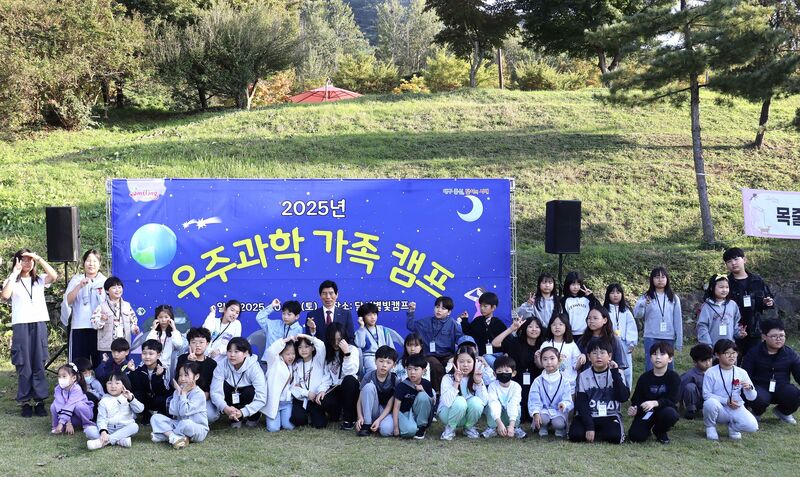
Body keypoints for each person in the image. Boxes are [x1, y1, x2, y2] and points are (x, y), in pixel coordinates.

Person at [1, 249, 58, 417]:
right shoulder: (12, 280)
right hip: (21, 325)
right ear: (17, 261)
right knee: (23, 363)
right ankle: (25, 401)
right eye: (23, 260)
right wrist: (14, 272)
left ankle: (39, 401)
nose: (27, 263)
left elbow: (54, 276)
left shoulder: (39, 279)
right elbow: (5, 295)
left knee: (39, 362)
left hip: (39, 323)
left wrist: (38, 258)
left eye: (29, 260)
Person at [568, 340, 629, 444]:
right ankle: (595, 432)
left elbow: (623, 397)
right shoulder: (583, 375)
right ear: (589, 357)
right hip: (590, 414)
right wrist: (589, 427)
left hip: (610, 414)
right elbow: (582, 403)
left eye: (602, 353)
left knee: (614, 437)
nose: (598, 356)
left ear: (610, 356)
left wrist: (615, 374)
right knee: (575, 435)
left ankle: (601, 432)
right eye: (594, 353)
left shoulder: (618, 372)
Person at [742, 318, 800, 424]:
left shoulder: (790, 354)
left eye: (781, 336)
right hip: (760, 387)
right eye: (774, 336)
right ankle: (756, 413)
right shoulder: (753, 353)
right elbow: (745, 375)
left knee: (794, 394)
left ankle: (783, 412)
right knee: (758, 397)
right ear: (764, 336)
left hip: (781, 387)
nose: (778, 339)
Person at [723, 247, 776, 361]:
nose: (733, 263)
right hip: (733, 329)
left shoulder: (757, 280)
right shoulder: (725, 283)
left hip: (754, 329)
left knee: (754, 362)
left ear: (744, 260)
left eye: (736, 259)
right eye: (729, 261)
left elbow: (768, 300)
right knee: (732, 362)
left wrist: (768, 302)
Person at [491, 315, 546, 423]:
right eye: (530, 326)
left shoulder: (543, 345)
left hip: (536, 383)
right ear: (525, 328)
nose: (534, 329)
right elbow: (495, 343)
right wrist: (511, 329)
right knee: (520, 416)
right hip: (517, 381)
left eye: (537, 327)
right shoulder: (516, 342)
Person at [703, 339, 758, 440]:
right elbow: (706, 394)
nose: (731, 356)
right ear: (717, 355)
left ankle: (733, 427)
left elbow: (752, 398)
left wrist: (750, 389)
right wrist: (726, 401)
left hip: (736, 407)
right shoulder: (710, 372)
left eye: (734, 353)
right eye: (727, 353)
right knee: (709, 403)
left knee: (753, 426)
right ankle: (710, 427)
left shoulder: (742, 372)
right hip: (719, 407)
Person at [406, 297, 463, 393]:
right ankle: (438, 392)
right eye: (437, 307)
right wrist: (411, 312)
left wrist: (458, 355)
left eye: (443, 308)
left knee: (454, 365)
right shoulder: (426, 322)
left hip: (447, 355)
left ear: (449, 312)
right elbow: (411, 326)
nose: (439, 310)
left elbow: (460, 339)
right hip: (429, 355)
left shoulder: (453, 323)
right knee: (435, 365)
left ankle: (455, 392)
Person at [627, 342, 681, 444]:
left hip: (664, 410)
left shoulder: (673, 377)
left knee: (671, 414)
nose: (658, 357)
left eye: (662, 354)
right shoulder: (644, 378)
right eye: (655, 354)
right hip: (647, 412)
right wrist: (635, 408)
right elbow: (636, 398)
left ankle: (659, 431)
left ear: (670, 359)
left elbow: (673, 399)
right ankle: (646, 430)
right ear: (650, 358)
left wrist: (655, 403)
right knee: (635, 436)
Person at [210, 337, 266, 428]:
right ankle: (234, 417)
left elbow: (261, 397)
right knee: (225, 387)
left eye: (236, 351)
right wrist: (225, 408)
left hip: (247, 394)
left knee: (250, 391)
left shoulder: (255, 368)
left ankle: (254, 417)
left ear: (246, 353)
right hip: (232, 393)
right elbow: (215, 391)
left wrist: (243, 412)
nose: (232, 355)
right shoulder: (221, 365)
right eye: (229, 351)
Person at [151, 361, 209, 449]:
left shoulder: (199, 394)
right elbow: (174, 411)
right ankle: (175, 437)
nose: (182, 379)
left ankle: (167, 436)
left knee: (186, 423)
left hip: (196, 428)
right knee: (155, 417)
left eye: (186, 375)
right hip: (179, 425)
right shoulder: (177, 391)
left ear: (196, 376)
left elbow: (184, 412)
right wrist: (179, 393)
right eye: (180, 375)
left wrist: (183, 394)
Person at [634, 267, 682, 371]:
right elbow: (637, 315)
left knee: (669, 366)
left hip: (668, 336)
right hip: (651, 336)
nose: (660, 280)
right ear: (652, 279)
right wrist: (643, 304)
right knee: (650, 365)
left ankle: (669, 382)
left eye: (663, 277)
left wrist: (679, 340)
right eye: (657, 277)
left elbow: (678, 320)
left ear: (667, 279)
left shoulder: (673, 297)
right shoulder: (646, 297)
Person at [63, 249, 106, 364]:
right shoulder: (76, 279)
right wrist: (79, 286)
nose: (91, 264)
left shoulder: (104, 281)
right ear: (83, 263)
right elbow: (68, 301)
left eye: (94, 261)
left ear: (99, 264)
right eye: (88, 261)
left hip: (99, 327)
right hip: (79, 326)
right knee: (78, 363)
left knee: (100, 362)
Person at [438, 347, 488, 440]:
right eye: (461, 361)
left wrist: (479, 383)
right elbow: (447, 402)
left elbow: (483, 402)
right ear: (455, 362)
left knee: (476, 402)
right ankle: (450, 428)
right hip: (448, 414)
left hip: (466, 416)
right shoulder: (448, 378)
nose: (465, 365)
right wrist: (456, 382)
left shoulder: (475, 377)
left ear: (474, 363)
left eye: (469, 362)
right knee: (460, 401)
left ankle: (469, 427)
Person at [87, 371, 142, 450]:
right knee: (89, 430)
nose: (113, 386)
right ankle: (119, 440)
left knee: (135, 426)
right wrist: (103, 432)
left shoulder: (128, 396)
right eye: (109, 383)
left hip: (124, 428)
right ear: (105, 385)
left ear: (124, 385)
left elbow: (140, 410)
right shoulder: (104, 400)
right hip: (109, 429)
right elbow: (101, 418)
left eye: (117, 383)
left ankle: (104, 442)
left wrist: (131, 399)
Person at [91, 277, 139, 366]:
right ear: (107, 291)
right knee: (107, 370)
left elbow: (133, 321)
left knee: (124, 370)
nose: (117, 290)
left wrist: (134, 329)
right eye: (114, 287)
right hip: (108, 348)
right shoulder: (101, 307)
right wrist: (102, 320)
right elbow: (94, 325)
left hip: (123, 347)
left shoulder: (127, 306)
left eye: (119, 287)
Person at [320, 323, 360, 430]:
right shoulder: (328, 352)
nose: (336, 343)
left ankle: (350, 419)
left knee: (349, 380)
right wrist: (322, 390)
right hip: (335, 387)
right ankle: (337, 414)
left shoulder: (352, 349)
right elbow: (326, 375)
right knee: (324, 401)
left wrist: (346, 354)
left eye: (339, 339)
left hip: (350, 388)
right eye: (333, 340)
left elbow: (350, 372)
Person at [529, 347, 573, 438]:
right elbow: (534, 399)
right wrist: (536, 412)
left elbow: (568, 399)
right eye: (545, 359)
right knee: (543, 419)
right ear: (541, 361)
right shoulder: (538, 381)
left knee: (559, 423)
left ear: (559, 361)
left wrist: (563, 404)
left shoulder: (564, 381)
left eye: (552, 358)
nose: (549, 362)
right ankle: (543, 427)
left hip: (558, 411)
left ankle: (559, 429)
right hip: (543, 410)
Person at [356, 345, 398, 437]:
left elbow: (389, 405)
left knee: (386, 431)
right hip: (371, 410)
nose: (384, 365)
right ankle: (367, 424)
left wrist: (379, 420)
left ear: (394, 365)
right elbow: (359, 400)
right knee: (369, 387)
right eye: (381, 361)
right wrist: (360, 417)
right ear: (375, 361)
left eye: (388, 362)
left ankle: (376, 424)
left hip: (385, 412)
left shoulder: (394, 380)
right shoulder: (368, 376)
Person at [50, 363, 100, 440]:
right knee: (54, 406)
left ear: (73, 378)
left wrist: (65, 422)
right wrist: (67, 422)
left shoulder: (77, 389)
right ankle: (57, 427)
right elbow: (60, 405)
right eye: (59, 376)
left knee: (78, 406)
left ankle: (87, 424)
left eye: (64, 376)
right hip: (70, 416)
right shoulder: (58, 389)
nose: (61, 379)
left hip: (80, 415)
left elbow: (70, 405)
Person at [176, 328, 217, 419]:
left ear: (207, 343)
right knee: (179, 410)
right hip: (184, 394)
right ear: (189, 344)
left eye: (201, 342)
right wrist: (189, 363)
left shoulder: (212, 364)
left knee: (210, 415)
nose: (197, 345)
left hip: (202, 396)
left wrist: (198, 400)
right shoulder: (182, 359)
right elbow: (178, 381)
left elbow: (209, 387)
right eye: (193, 342)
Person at [481, 355, 526, 439]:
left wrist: (511, 425)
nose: (503, 373)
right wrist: (499, 424)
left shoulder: (516, 386)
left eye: (507, 371)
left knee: (517, 406)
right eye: (500, 371)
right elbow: (493, 403)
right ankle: (492, 428)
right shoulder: (492, 386)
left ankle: (515, 427)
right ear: (495, 374)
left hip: (510, 416)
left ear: (513, 373)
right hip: (496, 417)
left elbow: (513, 403)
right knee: (491, 406)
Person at [537, 313, 583, 393]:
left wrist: (582, 358)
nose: (557, 327)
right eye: (554, 324)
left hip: (568, 385)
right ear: (550, 326)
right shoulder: (546, 344)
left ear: (566, 326)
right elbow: (540, 366)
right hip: (549, 385)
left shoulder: (571, 345)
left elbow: (576, 367)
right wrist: (537, 357)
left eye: (560, 324)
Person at [392, 353, 435, 439]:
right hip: (405, 413)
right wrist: (396, 427)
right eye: (409, 369)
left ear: (423, 371)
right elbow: (396, 407)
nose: (412, 372)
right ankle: (413, 427)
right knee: (410, 431)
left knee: (423, 396)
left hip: (420, 414)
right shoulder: (402, 386)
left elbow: (431, 403)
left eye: (416, 369)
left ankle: (421, 428)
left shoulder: (426, 384)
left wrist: (423, 391)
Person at [289, 334, 328, 428]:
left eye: (306, 346)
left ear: (313, 348)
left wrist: (304, 336)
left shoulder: (318, 360)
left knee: (320, 425)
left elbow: (321, 345)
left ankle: (314, 415)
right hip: (302, 399)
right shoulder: (296, 364)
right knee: (297, 420)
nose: (303, 350)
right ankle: (306, 416)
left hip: (315, 399)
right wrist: (307, 393)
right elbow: (293, 387)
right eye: (300, 347)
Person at [576, 306, 628, 376]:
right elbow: (575, 364)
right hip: (587, 379)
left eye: (595, 318)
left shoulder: (613, 340)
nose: (591, 321)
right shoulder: (583, 340)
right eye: (589, 318)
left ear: (605, 320)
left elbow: (621, 365)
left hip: (609, 378)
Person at [604, 283, 638, 389]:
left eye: (618, 292)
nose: (615, 295)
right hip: (609, 343)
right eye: (612, 293)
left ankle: (626, 389)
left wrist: (631, 343)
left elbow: (631, 327)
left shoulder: (626, 311)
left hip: (624, 344)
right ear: (608, 295)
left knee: (626, 368)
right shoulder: (605, 310)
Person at [354, 302, 403, 374]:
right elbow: (360, 345)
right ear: (362, 317)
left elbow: (392, 346)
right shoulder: (360, 331)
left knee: (393, 371)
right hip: (370, 358)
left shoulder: (383, 330)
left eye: (374, 314)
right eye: (369, 315)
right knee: (374, 370)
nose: (373, 317)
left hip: (386, 357)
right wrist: (361, 327)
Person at [459, 291, 506, 366]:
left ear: (493, 307)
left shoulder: (499, 323)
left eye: (485, 306)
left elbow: (506, 340)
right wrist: (464, 320)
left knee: (488, 358)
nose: (482, 308)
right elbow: (468, 332)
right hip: (480, 355)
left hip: (496, 355)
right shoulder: (477, 320)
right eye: (480, 306)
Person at [128, 339, 170, 423]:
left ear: (158, 355)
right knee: (136, 394)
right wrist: (133, 372)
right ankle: (146, 414)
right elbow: (137, 387)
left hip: (158, 397)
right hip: (146, 398)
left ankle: (161, 414)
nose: (147, 357)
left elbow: (165, 391)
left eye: (151, 354)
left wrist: (158, 377)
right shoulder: (139, 368)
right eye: (144, 353)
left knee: (161, 399)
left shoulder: (164, 369)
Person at [264, 335, 299, 432]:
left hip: (287, 403)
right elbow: (271, 351)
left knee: (289, 426)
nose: (291, 356)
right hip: (274, 403)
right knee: (273, 428)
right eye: (288, 354)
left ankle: (283, 420)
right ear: (281, 353)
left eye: (293, 353)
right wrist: (286, 340)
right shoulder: (274, 361)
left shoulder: (294, 366)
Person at [696, 274, 743, 347]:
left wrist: (739, 333)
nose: (724, 290)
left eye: (727, 287)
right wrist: (707, 345)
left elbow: (736, 323)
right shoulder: (706, 307)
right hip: (712, 348)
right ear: (712, 288)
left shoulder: (732, 305)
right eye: (721, 287)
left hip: (729, 348)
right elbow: (702, 327)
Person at [256, 299, 303, 365]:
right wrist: (272, 306)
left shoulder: (298, 329)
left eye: (289, 314)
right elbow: (259, 318)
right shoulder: (274, 324)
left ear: (297, 316)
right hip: (269, 361)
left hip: (288, 362)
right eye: (283, 313)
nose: (285, 317)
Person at [146, 304, 184, 382]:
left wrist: (174, 328)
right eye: (160, 317)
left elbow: (179, 345)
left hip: (167, 366)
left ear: (171, 318)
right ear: (156, 318)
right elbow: (148, 345)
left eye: (166, 317)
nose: (163, 320)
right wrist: (153, 329)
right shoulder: (154, 332)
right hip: (153, 365)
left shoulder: (174, 333)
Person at [560, 271, 599, 339]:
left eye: (578, 284)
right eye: (573, 284)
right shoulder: (564, 300)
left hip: (587, 333)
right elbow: (562, 317)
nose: (576, 287)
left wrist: (591, 296)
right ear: (568, 285)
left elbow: (598, 309)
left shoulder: (587, 298)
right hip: (571, 334)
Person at [679, 343, 713, 420]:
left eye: (709, 360)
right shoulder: (690, 375)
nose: (707, 363)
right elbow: (679, 387)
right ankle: (691, 411)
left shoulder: (715, 372)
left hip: (712, 400)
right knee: (690, 386)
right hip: (698, 400)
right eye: (703, 361)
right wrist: (679, 403)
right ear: (695, 362)